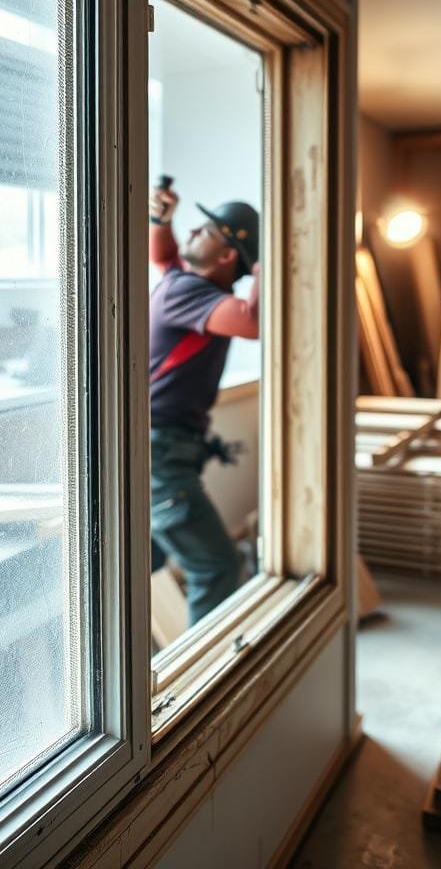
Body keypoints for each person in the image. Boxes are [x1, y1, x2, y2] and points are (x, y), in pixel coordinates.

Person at [148, 177, 260, 626]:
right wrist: (266, 263)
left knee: (152, 559)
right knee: (216, 567)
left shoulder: (181, 284)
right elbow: (253, 322)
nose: (194, 231)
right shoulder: (188, 290)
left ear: (227, 254)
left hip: (164, 450)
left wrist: (162, 218)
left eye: (206, 230)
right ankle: (200, 681)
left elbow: (161, 252)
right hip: (163, 453)